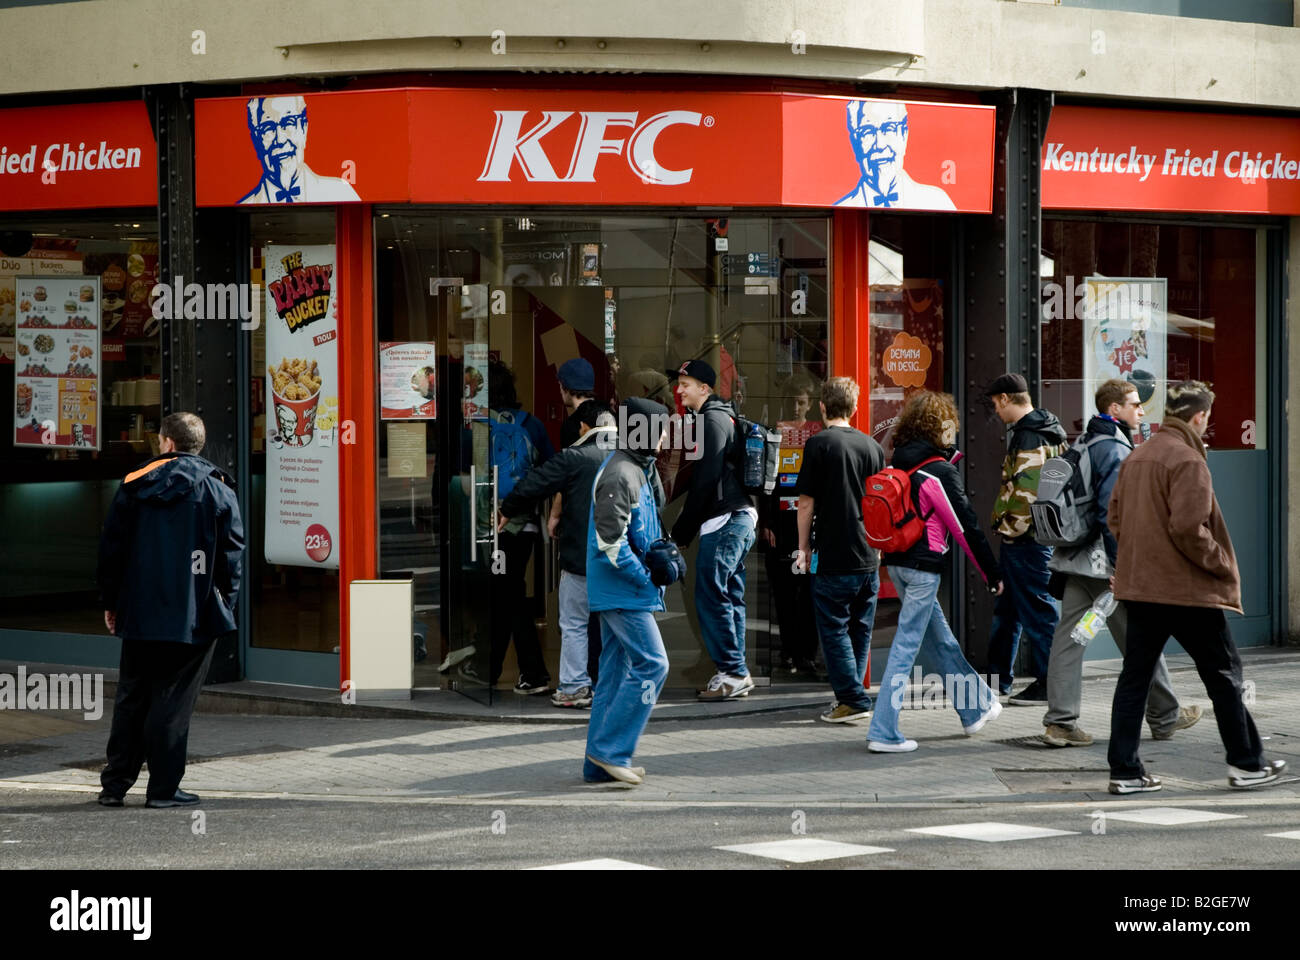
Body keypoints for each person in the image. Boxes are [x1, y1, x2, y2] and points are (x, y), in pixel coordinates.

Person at [1106, 381, 1287, 794]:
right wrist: (1221, 563)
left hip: (1142, 590)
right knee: (1224, 676)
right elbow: (1188, 528)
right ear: (1199, 416)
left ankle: (1125, 772)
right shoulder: (1188, 460)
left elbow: (1115, 520)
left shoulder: (1138, 456)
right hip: (1186, 590)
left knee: (1134, 679)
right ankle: (1246, 764)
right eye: (1207, 414)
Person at [1041, 378, 1201, 747]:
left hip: (1074, 558)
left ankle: (1060, 723)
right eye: (1134, 404)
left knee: (1069, 639)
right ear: (1114, 409)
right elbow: (1111, 512)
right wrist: (1121, 566)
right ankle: (1165, 716)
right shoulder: (1112, 447)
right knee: (1140, 636)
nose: (1141, 410)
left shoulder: (1083, 440)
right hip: (1102, 561)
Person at [96, 412, 244, 808]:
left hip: (140, 612)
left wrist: (112, 604)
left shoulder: (133, 485)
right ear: (198, 445)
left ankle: (114, 786)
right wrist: (224, 605)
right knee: (173, 702)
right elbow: (232, 559)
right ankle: (162, 789)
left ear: (166, 443)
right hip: (193, 616)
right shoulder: (219, 490)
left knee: (132, 697)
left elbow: (111, 552)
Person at [865, 392, 1004, 751]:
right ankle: (883, 731)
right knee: (906, 647)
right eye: (951, 427)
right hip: (923, 570)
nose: (953, 434)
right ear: (941, 428)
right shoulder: (937, 472)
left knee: (939, 641)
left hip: (896, 566)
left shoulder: (899, 464)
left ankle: (975, 708)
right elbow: (965, 527)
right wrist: (992, 573)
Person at [499, 400, 616, 708]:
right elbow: (655, 497)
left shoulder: (575, 457)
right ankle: (615, 686)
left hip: (581, 557)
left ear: (583, 427)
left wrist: (507, 509)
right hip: (621, 559)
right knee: (619, 625)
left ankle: (576, 687)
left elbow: (534, 483)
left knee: (576, 623)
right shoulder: (632, 456)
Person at [583, 397, 673, 785]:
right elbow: (609, 543)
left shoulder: (635, 468)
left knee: (614, 674)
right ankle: (611, 751)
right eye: (662, 428)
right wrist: (646, 577)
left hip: (624, 590)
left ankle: (596, 763)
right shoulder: (621, 473)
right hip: (623, 591)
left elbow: (638, 531)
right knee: (654, 665)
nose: (668, 435)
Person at [794, 376, 885, 722]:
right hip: (867, 554)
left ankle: (852, 700)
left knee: (833, 627)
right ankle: (853, 696)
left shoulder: (819, 444)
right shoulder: (872, 447)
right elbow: (880, 503)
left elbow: (805, 504)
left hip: (833, 552)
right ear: (855, 407)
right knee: (860, 628)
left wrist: (802, 547)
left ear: (821, 407)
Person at [671, 359, 758, 701]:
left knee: (710, 594)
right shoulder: (722, 416)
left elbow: (705, 480)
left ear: (704, 388)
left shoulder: (712, 420)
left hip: (725, 519)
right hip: (738, 517)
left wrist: (681, 532)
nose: (679, 391)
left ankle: (733, 673)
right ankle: (735, 671)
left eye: (685, 385)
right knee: (728, 595)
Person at [983, 373, 1067, 704]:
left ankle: (1050, 683)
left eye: (995, 404)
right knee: (1009, 611)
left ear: (1005, 398)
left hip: (1028, 541)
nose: (996, 411)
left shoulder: (1030, 435)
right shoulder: (1048, 430)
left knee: (1037, 610)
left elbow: (1027, 494)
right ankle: (995, 679)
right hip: (1038, 538)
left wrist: (1010, 530)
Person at [487, 360, 555, 695]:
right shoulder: (532, 425)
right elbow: (552, 469)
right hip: (524, 524)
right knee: (505, 593)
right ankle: (490, 668)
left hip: (486, 524)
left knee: (507, 596)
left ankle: (534, 672)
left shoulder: (475, 425)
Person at [759, 377, 822, 675]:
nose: (796, 407)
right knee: (783, 593)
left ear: (810, 405)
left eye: (801, 401)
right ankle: (787, 650)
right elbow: (766, 481)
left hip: (810, 526)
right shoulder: (775, 433)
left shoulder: (817, 436)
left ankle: (806, 653)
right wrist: (766, 521)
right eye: (792, 401)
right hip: (781, 526)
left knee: (808, 592)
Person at [835, 100, 956, 210]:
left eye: (889, 128)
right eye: (867, 131)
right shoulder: (840, 207)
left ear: (904, 136)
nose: (880, 144)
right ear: (855, 143)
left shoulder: (938, 201)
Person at [239, 96, 360, 204]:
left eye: (288, 122)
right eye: (267, 128)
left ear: (304, 129)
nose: (280, 139)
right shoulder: (246, 204)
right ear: (255, 140)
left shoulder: (341, 193)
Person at [557, 357, 598, 449]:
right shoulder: (611, 415)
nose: (560, 391)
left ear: (565, 387)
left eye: (559, 385)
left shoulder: (570, 426)